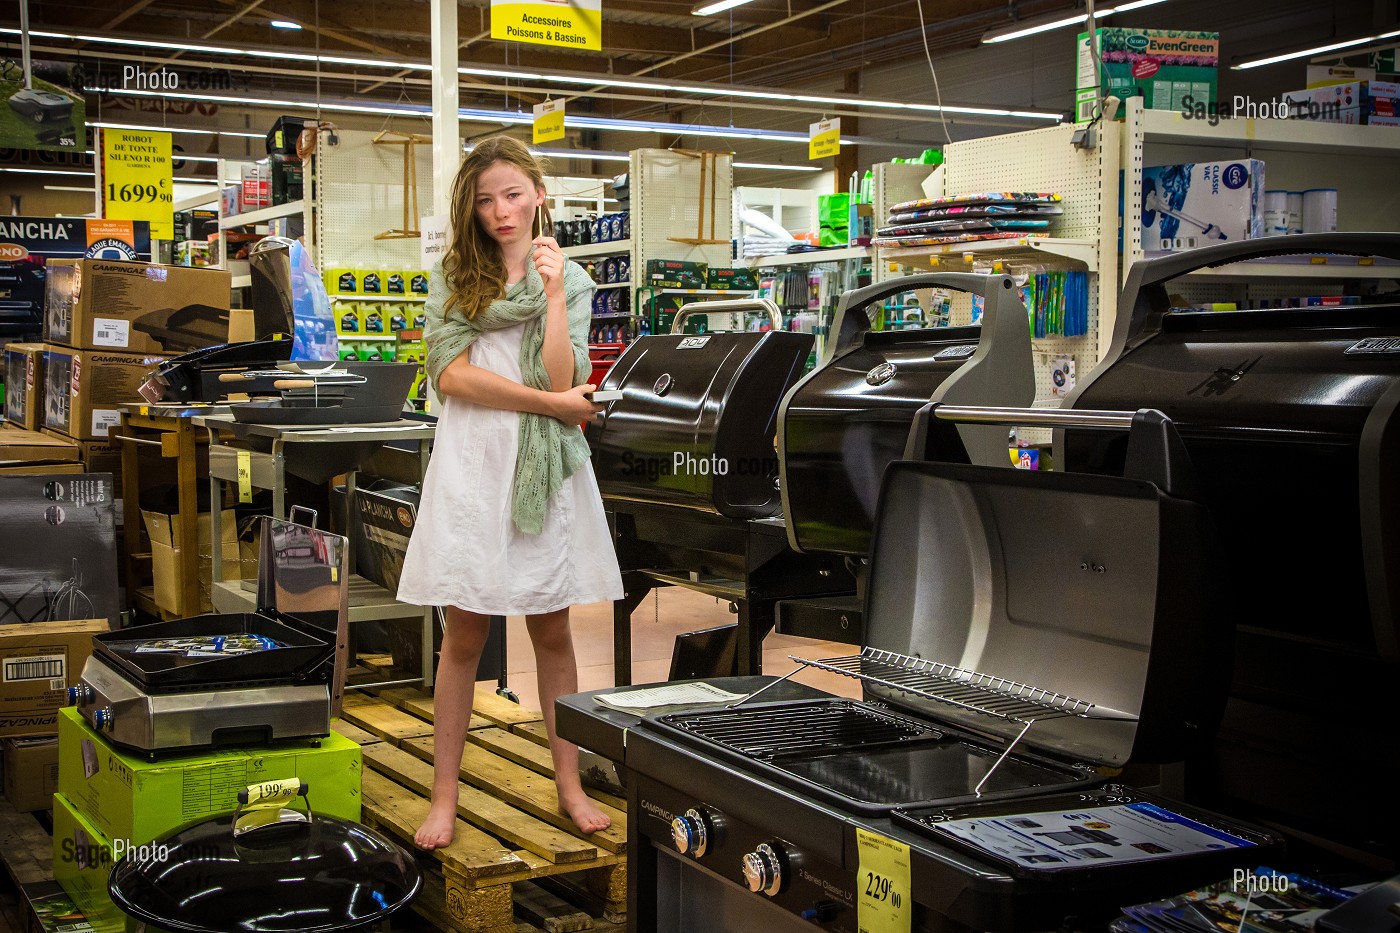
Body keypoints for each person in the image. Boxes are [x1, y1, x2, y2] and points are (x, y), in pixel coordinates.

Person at [397, 135, 624, 850]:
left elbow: (564, 376)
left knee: (551, 628)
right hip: (473, 463)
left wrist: (554, 293)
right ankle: (443, 798)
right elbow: (452, 376)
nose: (501, 211)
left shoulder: (573, 279)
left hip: (541, 469)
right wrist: (550, 406)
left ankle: (570, 784)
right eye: (486, 198)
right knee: (464, 632)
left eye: (513, 194)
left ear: (539, 194)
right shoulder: (456, 276)